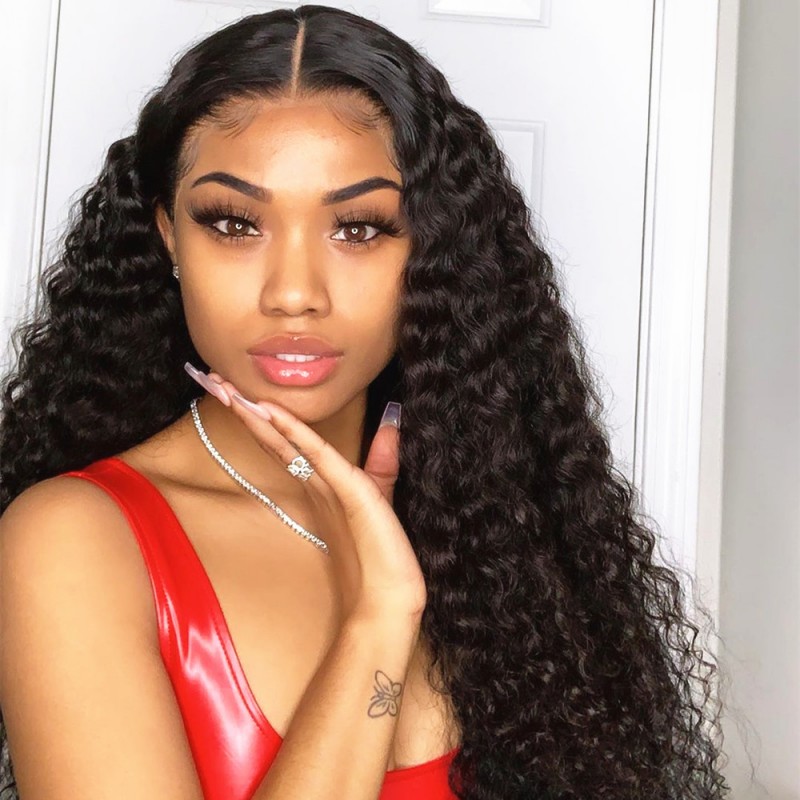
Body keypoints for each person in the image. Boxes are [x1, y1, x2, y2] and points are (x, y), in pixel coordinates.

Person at [0, 5, 732, 799]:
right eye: (235, 223)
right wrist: (380, 614)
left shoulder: (500, 532)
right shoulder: (73, 540)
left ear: (431, 250)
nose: (294, 293)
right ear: (170, 235)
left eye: (358, 229)